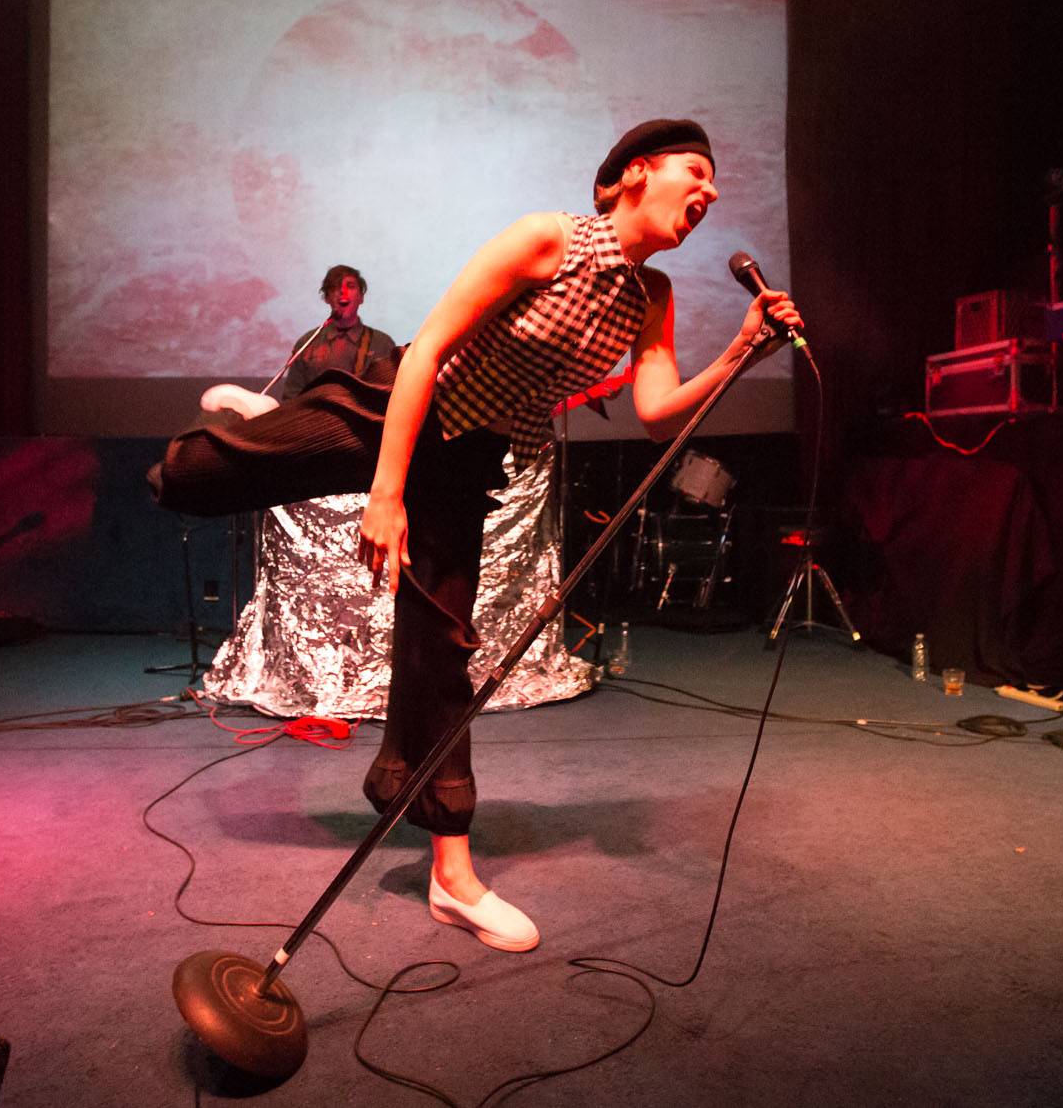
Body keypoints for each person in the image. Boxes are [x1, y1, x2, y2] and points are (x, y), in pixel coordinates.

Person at [149, 119, 802, 953]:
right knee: (191, 478)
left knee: (443, 646)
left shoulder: (654, 295)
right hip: (402, 406)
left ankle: (451, 873)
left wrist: (743, 350)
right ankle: (271, 421)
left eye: (714, 180)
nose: (709, 190)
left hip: (467, 460)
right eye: (695, 170)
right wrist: (386, 493)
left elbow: (656, 413)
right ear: (637, 172)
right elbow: (427, 350)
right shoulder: (546, 240)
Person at [199, 265, 396, 420]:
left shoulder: (382, 343)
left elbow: (392, 399)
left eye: (350, 286)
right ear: (326, 298)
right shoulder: (308, 343)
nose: (342, 292)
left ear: (361, 297)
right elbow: (291, 400)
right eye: (335, 288)